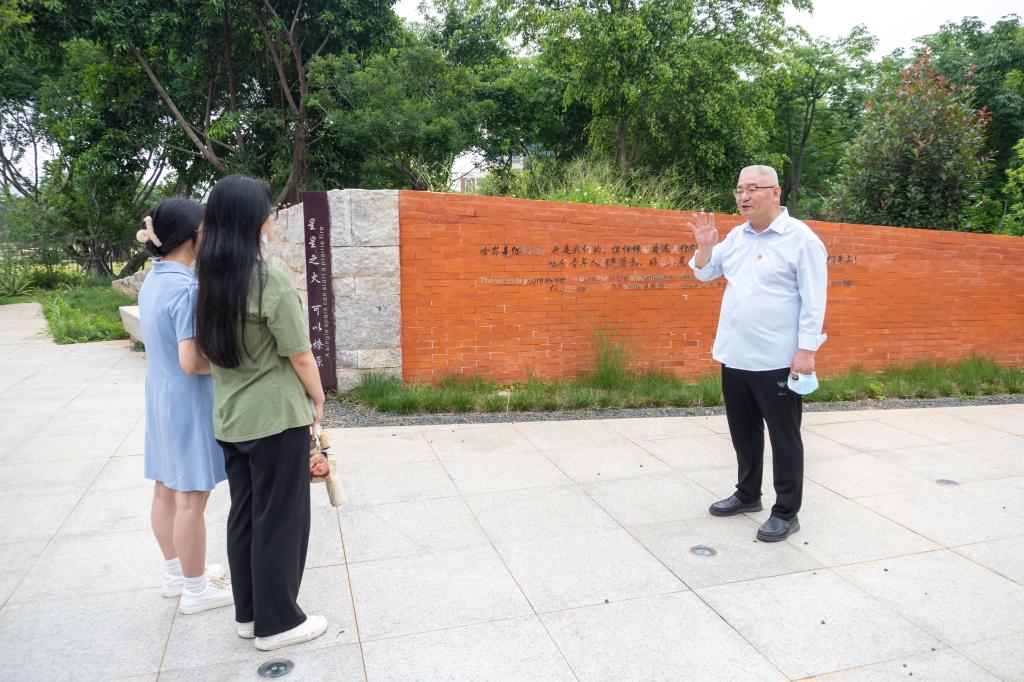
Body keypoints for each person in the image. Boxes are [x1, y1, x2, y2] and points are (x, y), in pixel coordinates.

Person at [194, 174, 328, 651]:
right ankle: (278, 624)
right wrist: (318, 399)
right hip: (275, 418)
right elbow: (300, 354)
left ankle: (249, 615)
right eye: (268, 209)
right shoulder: (268, 279)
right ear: (255, 220)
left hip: (232, 419)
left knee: (246, 516)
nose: (272, 216)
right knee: (281, 519)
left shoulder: (207, 281)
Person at [687, 165, 828, 542]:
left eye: (752, 188)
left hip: (777, 360)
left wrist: (806, 352)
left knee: (784, 438)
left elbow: (814, 301)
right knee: (743, 432)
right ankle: (748, 494)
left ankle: (786, 512)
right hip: (735, 355)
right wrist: (705, 245)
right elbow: (704, 272)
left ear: (776, 192)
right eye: (738, 189)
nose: (743, 196)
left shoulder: (802, 240)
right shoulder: (737, 236)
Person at [136, 198, 234, 614]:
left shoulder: (154, 280)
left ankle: (175, 574)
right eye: (205, 230)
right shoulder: (188, 288)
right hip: (188, 401)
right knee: (191, 497)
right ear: (192, 236)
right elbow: (192, 362)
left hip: (160, 397)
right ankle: (196, 589)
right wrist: (234, 364)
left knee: (165, 488)